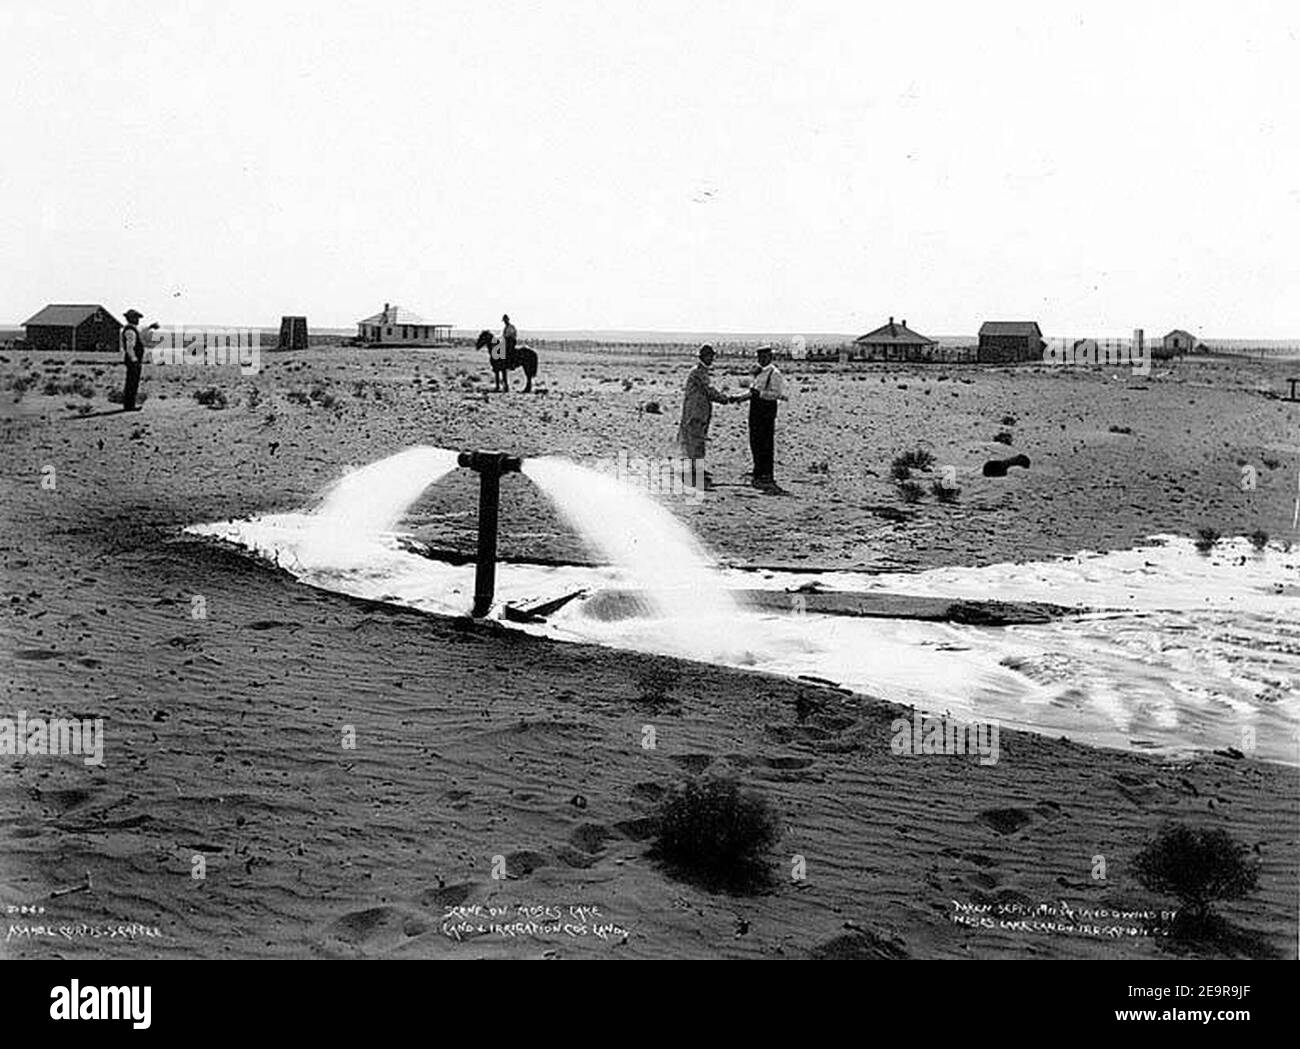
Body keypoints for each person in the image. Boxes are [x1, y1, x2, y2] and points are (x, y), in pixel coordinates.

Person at [677, 344, 744, 490]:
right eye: (709, 356)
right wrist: (726, 399)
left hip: (700, 411)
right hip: (695, 412)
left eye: (712, 356)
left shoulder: (701, 371)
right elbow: (709, 391)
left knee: (698, 440)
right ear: (703, 356)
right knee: (695, 441)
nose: (712, 359)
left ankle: (696, 468)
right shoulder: (698, 372)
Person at [746, 344, 789, 488]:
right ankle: (758, 469)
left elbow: (777, 394)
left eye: (764, 357)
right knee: (755, 440)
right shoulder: (758, 372)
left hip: (766, 409)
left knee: (765, 441)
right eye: (760, 357)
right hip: (755, 408)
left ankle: (766, 473)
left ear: (770, 357)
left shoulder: (775, 373)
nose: (762, 359)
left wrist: (761, 394)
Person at [119, 308, 158, 411]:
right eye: (136, 317)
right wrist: (134, 359)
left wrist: (150, 327)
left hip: (133, 360)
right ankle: (129, 406)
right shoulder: (130, 331)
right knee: (132, 383)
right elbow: (129, 347)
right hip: (133, 361)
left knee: (132, 383)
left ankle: (129, 405)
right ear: (131, 318)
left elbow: (141, 332)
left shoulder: (132, 329)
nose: (138, 320)